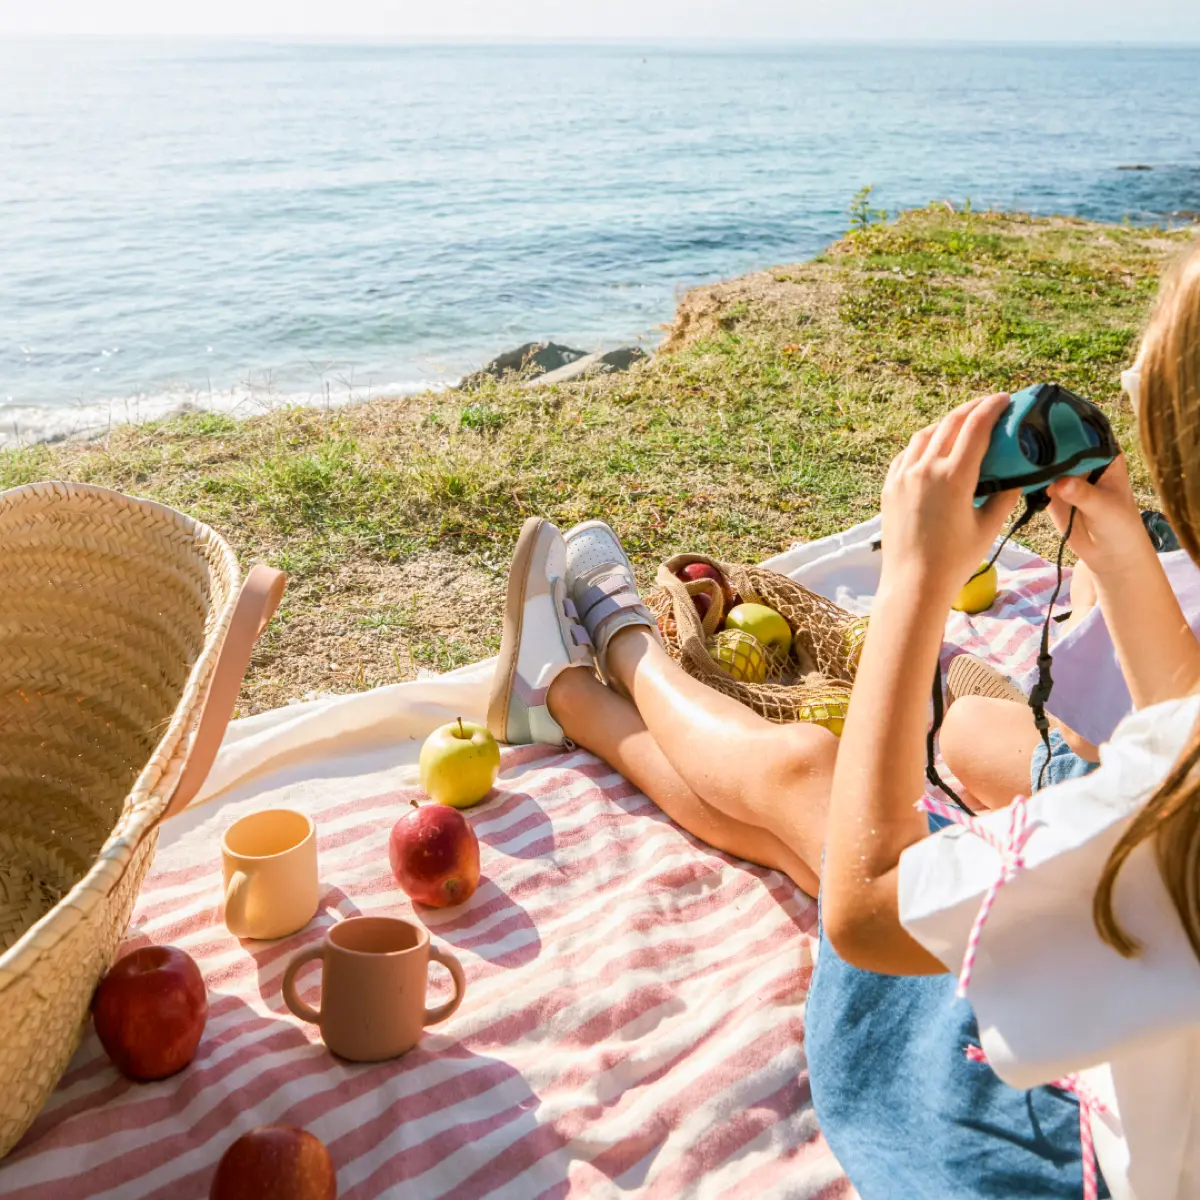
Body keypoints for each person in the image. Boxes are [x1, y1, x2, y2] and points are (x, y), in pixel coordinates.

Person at [483, 240, 1200, 1198]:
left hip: (1051, 1146)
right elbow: (1178, 731)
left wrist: (914, 582)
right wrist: (1118, 551)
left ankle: (592, 672)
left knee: (816, 785)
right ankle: (574, 687)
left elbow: (869, 907)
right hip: (1158, 1035)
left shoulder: (1171, 841)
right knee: (968, 740)